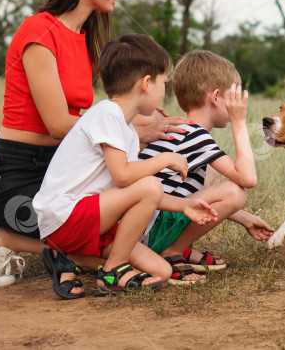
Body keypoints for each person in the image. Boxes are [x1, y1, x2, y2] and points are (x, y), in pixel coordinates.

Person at [0, 0, 188, 290]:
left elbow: (99, 115)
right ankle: (0, 237)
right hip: (17, 174)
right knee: (104, 254)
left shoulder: (87, 39)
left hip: (59, 169)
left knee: (122, 244)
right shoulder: (39, 31)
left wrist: (148, 120)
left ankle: (69, 254)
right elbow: (59, 124)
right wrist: (134, 130)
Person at [32, 34, 218, 299]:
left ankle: (66, 255)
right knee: (151, 183)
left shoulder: (126, 129)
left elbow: (135, 191)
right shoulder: (107, 113)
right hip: (67, 214)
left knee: (162, 271)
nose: (164, 92)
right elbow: (123, 177)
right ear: (146, 83)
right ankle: (113, 270)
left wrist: (184, 205)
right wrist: (164, 160)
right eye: (163, 83)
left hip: (92, 220)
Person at [139, 50, 273, 276]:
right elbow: (247, 179)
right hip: (145, 234)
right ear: (216, 96)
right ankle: (172, 252)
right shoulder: (194, 135)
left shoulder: (185, 131)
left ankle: (174, 250)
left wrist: (245, 218)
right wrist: (239, 121)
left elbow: (202, 196)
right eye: (233, 98)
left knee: (212, 172)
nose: (237, 104)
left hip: (141, 228)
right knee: (235, 192)